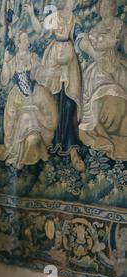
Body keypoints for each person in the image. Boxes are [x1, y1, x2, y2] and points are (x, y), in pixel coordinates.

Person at [26, 0, 86, 172]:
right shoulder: (54, 16)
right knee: (52, 102)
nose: (74, 2)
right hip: (52, 61)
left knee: (69, 104)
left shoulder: (75, 19)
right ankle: (50, 143)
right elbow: (41, 32)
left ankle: (72, 148)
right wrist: (31, 14)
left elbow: (80, 37)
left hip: (70, 64)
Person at [0, 31, 57, 169]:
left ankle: (38, 153)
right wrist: (5, 62)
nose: (27, 42)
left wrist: (42, 72)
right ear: (18, 43)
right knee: (19, 119)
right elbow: (4, 80)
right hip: (18, 98)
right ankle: (20, 155)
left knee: (41, 118)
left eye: (27, 39)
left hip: (34, 95)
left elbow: (41, 75)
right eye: (24, 40)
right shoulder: (14, 60)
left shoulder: (33, 57)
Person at [78, 0, 127, 160]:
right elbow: (90, 46)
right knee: (101, 94)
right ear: (100, 10)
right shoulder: (95, 29)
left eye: (111, 6)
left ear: (115, 8)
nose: (107, 9)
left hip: (117, 66)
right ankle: (101, 131)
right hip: (99, 68)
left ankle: (119, 131)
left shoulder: (120, 26)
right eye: (104, 7)